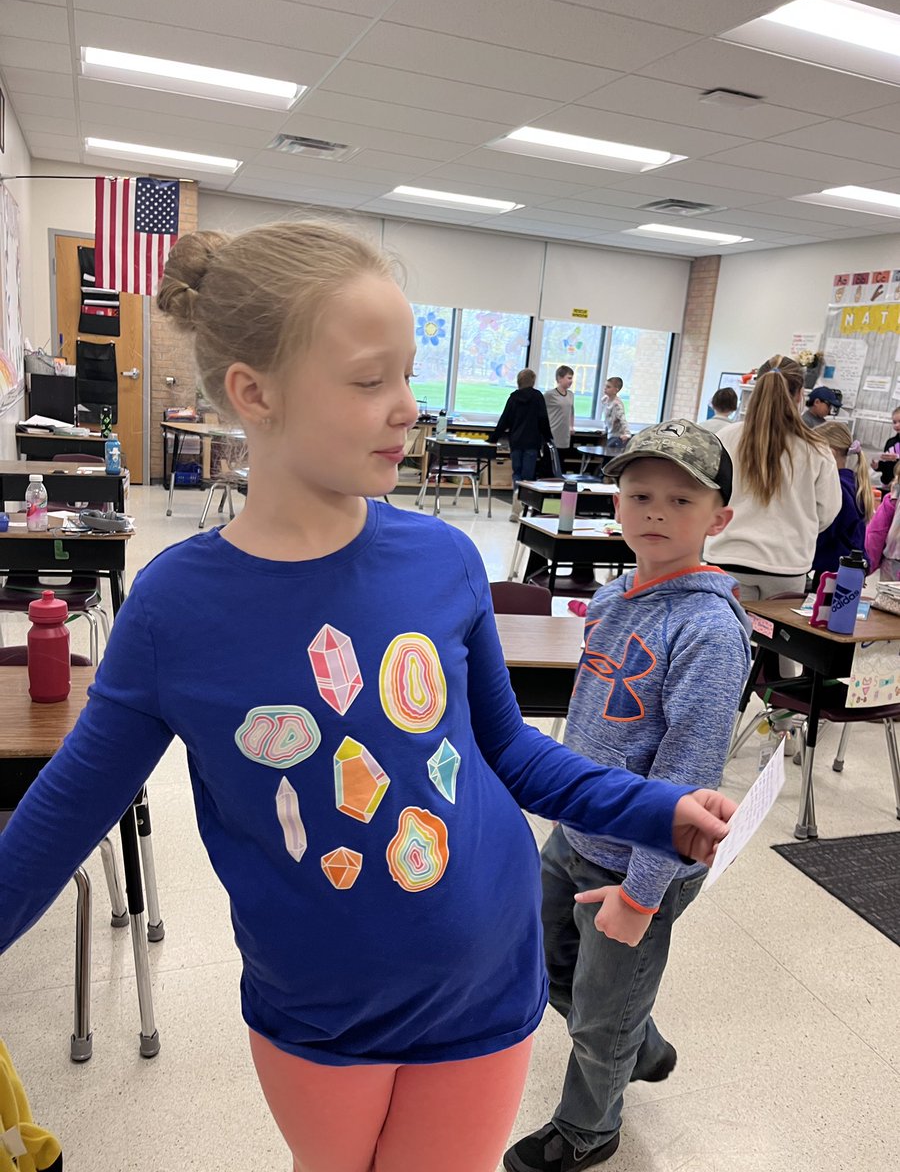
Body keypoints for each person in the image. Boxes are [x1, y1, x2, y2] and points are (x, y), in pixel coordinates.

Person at [0, 222, 736, 1172]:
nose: (407, 409)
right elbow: (65, 813)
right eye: (368, 380)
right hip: (319, 1008)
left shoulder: (440, 557)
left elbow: (507, 749)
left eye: (407, 376)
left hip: (483, 973)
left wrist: (655, 809)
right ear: (253, 393)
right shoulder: (175, 609)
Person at [504, 420, 750, 1172]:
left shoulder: (708, 630)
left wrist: (640, 897)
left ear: (718, 520)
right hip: (578, 832)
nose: (654, 510)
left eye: (680, 499)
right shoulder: (616, 597)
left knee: (600, 1011)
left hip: (645, 862)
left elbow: (687, 776)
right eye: (639, 492)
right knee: (548, 967)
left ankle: (589, 1128)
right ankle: (638, 1042)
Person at [705, 359, 841, 601]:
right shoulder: (816, 448)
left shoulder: (726, 437)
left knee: (726, 637)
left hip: (728, 557)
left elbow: (707, 493)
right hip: (786, 565)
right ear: (800, 395)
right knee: (776, 639)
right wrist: (798, 523)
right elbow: (827, 511)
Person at [811, 420, 875, 585]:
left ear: (830, 452)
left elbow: (827, 529)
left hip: (834, 571)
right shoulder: (852, 482)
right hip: (846, 568)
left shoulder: (837, 487)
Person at [490, 367, 553, 520]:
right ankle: (524, 503)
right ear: (532, 381)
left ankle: (515, 501)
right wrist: (549, 438)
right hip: (532, 442)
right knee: (528, 476)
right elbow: (543, 419)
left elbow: (504, 419)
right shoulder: (538, 397)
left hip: (516, 442)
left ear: (518, 382)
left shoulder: (513, 397)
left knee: (517, 473)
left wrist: (493, 438)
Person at [866, 461, 900, 582]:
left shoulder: (893, 499)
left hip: (893, 563)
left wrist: (868, 565)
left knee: (889, 600)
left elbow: (877, 533)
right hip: (893, 562)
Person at [544, 364, 576, 466]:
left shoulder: (571, 395)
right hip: (553, 434)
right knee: (549, 463)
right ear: (560, 378)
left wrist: (571, 426)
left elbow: (571, 411)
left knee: (560, 463)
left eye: (572, 378)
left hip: (565, 435)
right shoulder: (549, 394)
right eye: (569, 378)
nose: (571, 381)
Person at [870, 405, 900, 487]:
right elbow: (884, 465)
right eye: (894, 422)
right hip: (887, 485)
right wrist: (876, 466)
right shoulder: (890, 442)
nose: (897, 425)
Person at [599, 377, 630, 446]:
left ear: (616, 390)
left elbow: (623, 419)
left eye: (608, 387)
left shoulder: (617, 404)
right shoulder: (605, 400)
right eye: (605, 386)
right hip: (610, 433)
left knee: (610, 453)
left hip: (617, 436)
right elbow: (607, 418)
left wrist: (627, 434)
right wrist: (605, 430)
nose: (605, 388)